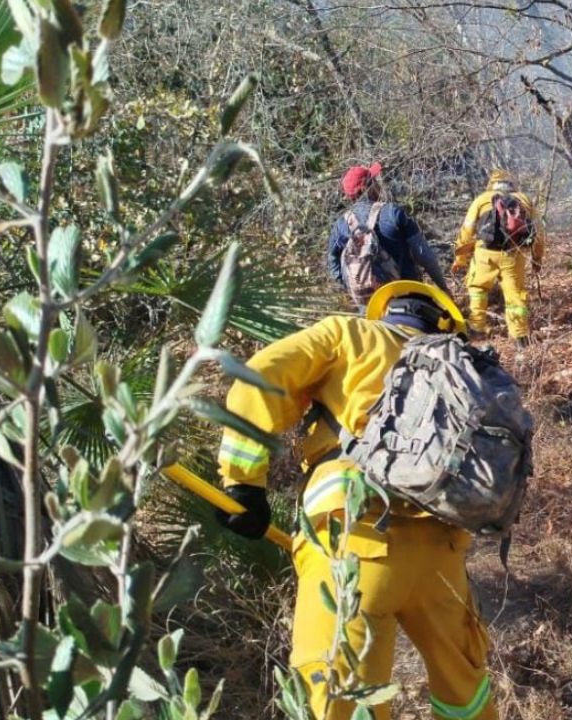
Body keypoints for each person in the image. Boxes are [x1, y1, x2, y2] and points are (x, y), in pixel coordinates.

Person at [213, 281, 497, 720]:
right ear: (446, 325)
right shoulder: (466, 371)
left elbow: (263, 374)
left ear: (384, 312)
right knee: (465, 689)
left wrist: (243, 483)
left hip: (353, 540)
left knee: (341, 695)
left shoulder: (350, 335)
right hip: (443, 555)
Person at [327, 163, 449, 310]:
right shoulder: (393, 213)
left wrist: (356, 285)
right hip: (408, 298)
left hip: (370, 308)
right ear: (367, 188)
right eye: (374, 181)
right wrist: (443, 288)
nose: (378, 184)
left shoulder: (341, 226)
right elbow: (424, 255)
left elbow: (333, 265)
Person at [451, 169, 545, 347]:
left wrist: (460, 259)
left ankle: (477, 329)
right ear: (512, 183)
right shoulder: (523, 200)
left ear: (491, 183)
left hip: (484, 254)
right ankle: (520, 338)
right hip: (513, 254)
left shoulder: (481, 199)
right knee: (515, 295)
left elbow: (467, 231)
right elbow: (539, 233)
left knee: (478, 288)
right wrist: (537, 258)